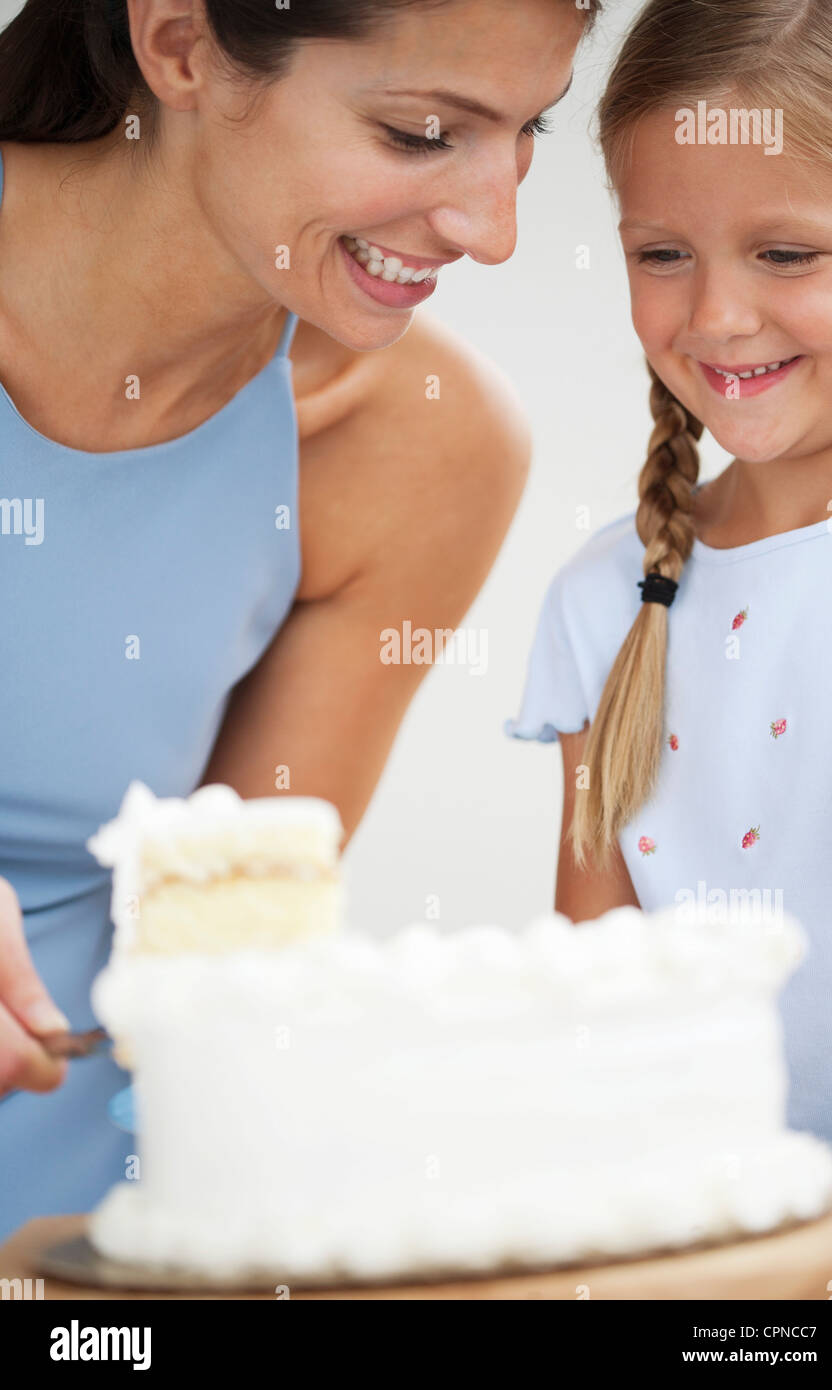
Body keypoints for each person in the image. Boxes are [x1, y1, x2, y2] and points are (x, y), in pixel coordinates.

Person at [0, 0, 599, 1238]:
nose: (495, 232)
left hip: (90, 1263)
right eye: (423, 131)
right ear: (180, 47)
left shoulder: (424, 446)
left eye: (526, 128)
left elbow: (231, 937)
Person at [507, 0, 832, 1176]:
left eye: (787, 253)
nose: (714, 316)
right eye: (662, 252)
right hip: (723, 1260)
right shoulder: (608, 597)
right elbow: (597, 1019)